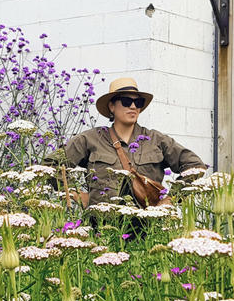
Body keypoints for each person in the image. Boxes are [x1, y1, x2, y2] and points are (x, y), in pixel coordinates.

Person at [48, 77, 207, 208]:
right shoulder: (90, 139)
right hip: (102, 229)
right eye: (126, 101)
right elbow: (50, 165)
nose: (133, 106)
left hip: (148, 229)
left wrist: (171, 199)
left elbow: (195, 166)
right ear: (112, 106)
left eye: (138, 103)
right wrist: (74, 194)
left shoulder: (156, 140)